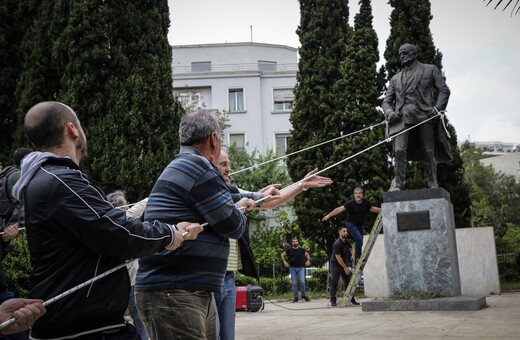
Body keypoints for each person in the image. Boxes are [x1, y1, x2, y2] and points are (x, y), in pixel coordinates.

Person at [12, 101, 202, 339]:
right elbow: (119, 232)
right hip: (81, 328)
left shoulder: (52, 178)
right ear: (72, 129)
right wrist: (171, 234)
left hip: (85, 323)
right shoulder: (59, 180)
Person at [135, 110, 255, 340]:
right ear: (213, 138)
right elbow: (232, 225)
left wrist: (245, 201)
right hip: (175, 293)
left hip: (186, 292)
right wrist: (240, 209)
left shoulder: (187, 165)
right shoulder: (199, 168)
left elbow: (227, 203)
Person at [213, 150, 333, 340]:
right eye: (223, 164)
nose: (228, 169)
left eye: (229, 164)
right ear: (210, 164)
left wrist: (301, 185)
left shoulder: (235, 191)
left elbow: (271, 201)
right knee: (211, 333)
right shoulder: (206, 193)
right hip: (209, 276)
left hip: (228, 276)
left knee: (227, 335)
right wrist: (259, 195)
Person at [381, 43, 452, 191]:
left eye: (405, 53)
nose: (402, 57)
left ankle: (433, 183)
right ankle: (399, 185)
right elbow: (386, 101)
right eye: (400, 54)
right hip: (402, 119)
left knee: (428, 150)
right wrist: (389, 113)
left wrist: (438, 108)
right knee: (399, 151)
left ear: (414, 54)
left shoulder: (430, 70)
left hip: (424, 116)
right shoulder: (395, 79)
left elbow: (444, 90)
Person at [107, 190, 149, 340]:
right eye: (126, 203)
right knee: (140, 324)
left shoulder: (110, 224)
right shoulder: (120, 220)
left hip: (121, 285)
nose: (127, 204)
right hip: (129, 285)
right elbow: (138, 208)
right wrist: (155, 195)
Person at [322, 188, 380, 262]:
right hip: (351, 224)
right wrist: (329, 215)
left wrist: (382, 209)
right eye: (356, 193)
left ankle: (357, 258)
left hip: (360, 226)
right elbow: (339, 209)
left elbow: (372, 209)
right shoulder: (350, 203)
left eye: (359, 193)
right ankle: (358, 258)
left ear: (362, 194)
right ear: (354, 195)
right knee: (359, 238)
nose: (358, 195)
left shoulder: (366, 203)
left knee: (359, 241)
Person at [329, 226, 358, 307]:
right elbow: (338, 257)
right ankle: (333, 300)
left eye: (346, 231)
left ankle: (351, 298)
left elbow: (352, 249)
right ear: (340, 232)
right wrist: (345, 268)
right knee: (334, 282)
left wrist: (352, 255)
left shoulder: (347, 242)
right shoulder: (337, 244)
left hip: (344, 264)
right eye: (344, 231)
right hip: (336, 264)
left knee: (348, 281)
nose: (346, 233)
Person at [281, 237, 311, 303]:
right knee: (294, 283)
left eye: (296, 241)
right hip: (292, 268)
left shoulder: (301, 250)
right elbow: (282, 255)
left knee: (302, 281)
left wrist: (308, 260)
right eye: (294, 241)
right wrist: (284, 262)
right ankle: (296, 297)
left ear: (298, 242)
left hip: (300, 268)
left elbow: (307, 255)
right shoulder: (289, 250)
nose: (295, 242)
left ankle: (303, 295)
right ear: (292, 243)